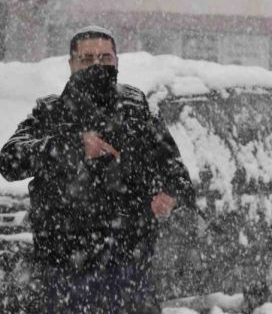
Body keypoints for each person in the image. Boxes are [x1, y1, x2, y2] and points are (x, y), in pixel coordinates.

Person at [0, 26, 195, 313]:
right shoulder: (51, 113)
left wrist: (168, 196)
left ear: (117, 62)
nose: (97, 66)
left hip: (128, 269)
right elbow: (9, 161)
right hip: (63, 270)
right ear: (71, 64)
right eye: (87, 59)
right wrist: (71, 147)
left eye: (105, 59)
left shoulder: (136, 110)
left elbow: (176, 173)